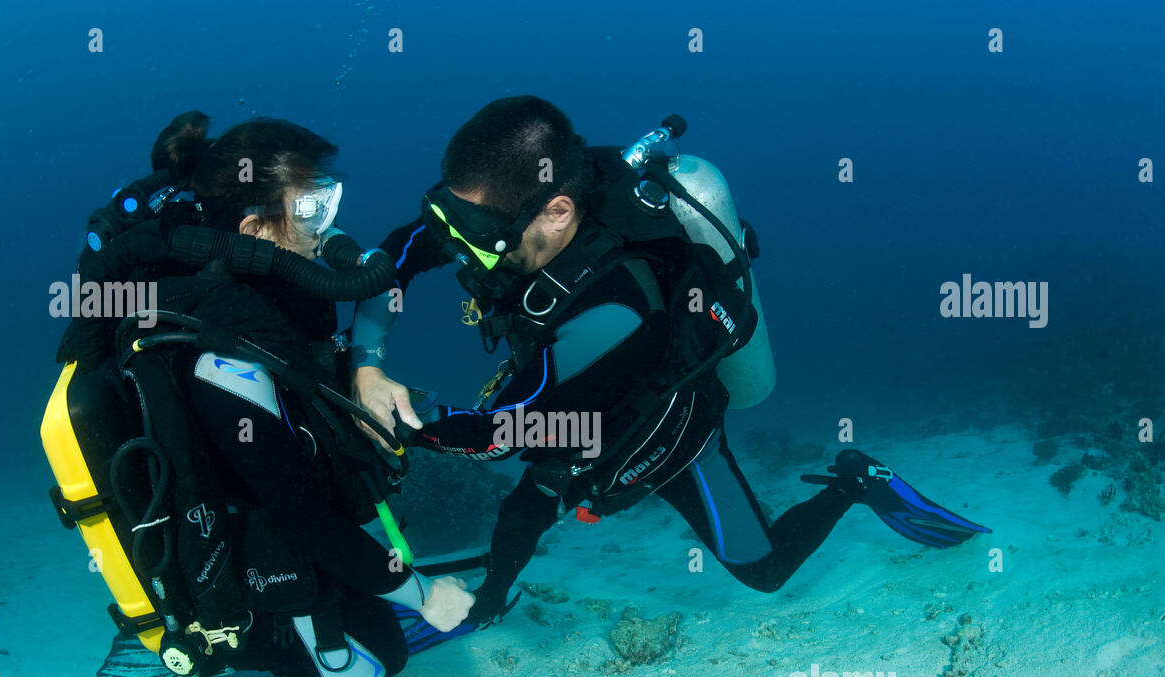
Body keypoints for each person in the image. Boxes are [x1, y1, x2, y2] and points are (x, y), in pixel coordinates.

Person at [350, 96, 989, 629]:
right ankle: (491, 601)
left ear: (559, 212)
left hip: (659, 430)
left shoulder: (616, 311)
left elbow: (504, 431)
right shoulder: (508, 202)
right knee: (525, 509)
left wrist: (406, 420)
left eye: (477, 237)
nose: (460, 253)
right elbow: (401, 253)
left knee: (763, 571)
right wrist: (366, 366)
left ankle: (856, 481)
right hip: (565, 410)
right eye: (450, 219)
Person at [10, 112, 473, 677]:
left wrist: (367, 369)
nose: (329, 223)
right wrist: (421, 595)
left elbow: (354, 329)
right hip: (276, 595)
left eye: (332, 198)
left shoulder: (259, 318)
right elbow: (305, 522)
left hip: (305, 564)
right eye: (313, 208)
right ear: (257, 232)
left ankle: (274, 655)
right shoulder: (225, 366)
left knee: (393, 652)